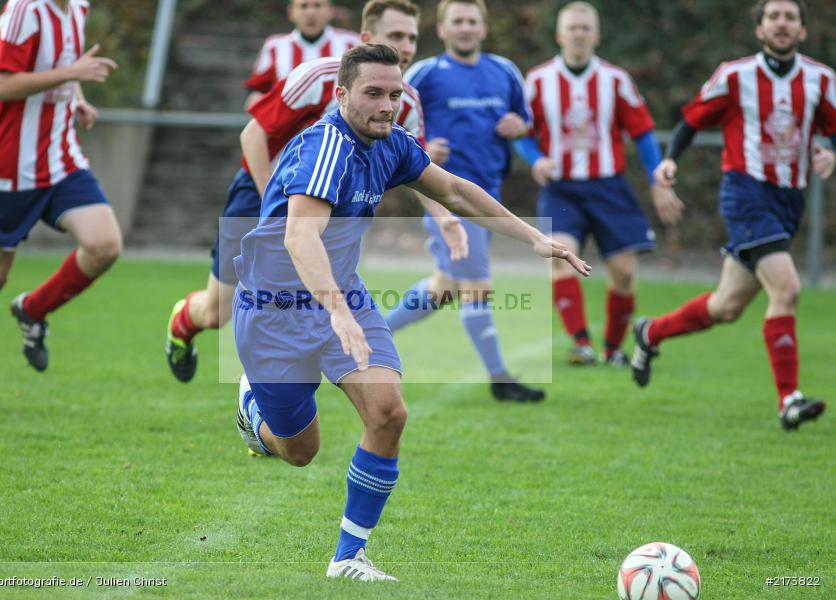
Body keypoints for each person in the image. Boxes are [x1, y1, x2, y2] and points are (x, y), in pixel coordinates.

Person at [231, 44, 590, 580]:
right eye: (373, 93)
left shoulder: (393, 143)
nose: (387, 104)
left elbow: (455, 190)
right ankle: (255, 413)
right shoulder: (323, 147)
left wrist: (535, 237)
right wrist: (338, 313)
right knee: (300, 451)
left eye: (395, 94)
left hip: (342, 296)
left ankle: (347, 558)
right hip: (274, 314)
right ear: (341, 95)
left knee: (389, 413)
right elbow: (300, 236)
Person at [165, 0, 467, 383]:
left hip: (325, 207)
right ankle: (182, 324)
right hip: (261, 193)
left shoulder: (403, 100)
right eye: (395, 36)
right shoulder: (316, 76)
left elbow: (416, 170)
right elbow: (253, 134)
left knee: (315, 300)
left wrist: (443, 216)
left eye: (411, 37)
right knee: (216, 313)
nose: (405, 47)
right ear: (366, 40)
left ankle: (274, 403)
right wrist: (273, 209)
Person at [631, 0, 835, 431]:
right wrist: (670, 160)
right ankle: (789, 400)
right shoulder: (735, 75)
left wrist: (829, 151)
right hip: (745, 193)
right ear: (759, 29)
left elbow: (832, 129)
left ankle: (650, 333)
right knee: (788, 289)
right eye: (773, 17)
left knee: (726, 306)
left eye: (790, 17)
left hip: (788, 200)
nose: (782, 24)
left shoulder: (822, 79)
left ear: (802, 30)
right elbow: (690, 120)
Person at [0, 0, 121, 410]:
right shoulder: (24, 10)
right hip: (6, 169)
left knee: (105, 245)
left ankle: (33, 310)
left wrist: (77, 98)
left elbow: (63, 65)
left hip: (60, 160)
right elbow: (2, 84)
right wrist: (73, 73)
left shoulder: (77, 8)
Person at [385, 0, 544, 402]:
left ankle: (372, 337)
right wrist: (422, 148)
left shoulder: (505, 71)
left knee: (446, 286)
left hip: (490, 195)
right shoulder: (423, 74)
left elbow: (525, 122)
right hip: (449, 198)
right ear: (441, 29)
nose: (465, 28)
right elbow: (393, 123)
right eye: (457, 21)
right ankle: (501, 379)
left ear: (483, 28)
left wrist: (519, 126)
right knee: (477, 286)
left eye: (472, 21)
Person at [514, 1, 683, 367]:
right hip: (562, 190)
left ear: (596, 36)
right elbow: (521, 134)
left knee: (624, 272)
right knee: (558, 255)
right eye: (572, 27)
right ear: (559, 35)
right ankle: (581, 344)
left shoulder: (616, 81)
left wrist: (658, 181)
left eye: (585, 28)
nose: (578, 33)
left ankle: (612, 349)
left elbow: (643, 133)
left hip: (609, 188)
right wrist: (536, 159)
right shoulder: (538, 81)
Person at [243, 0, 360, 110]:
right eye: (303, 6)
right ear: (291, 12)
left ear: (330, 11)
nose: (311, 13)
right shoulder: (274, 47)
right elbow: (256, 90)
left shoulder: (352, 43)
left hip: (339, 128)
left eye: (318, 5)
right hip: (289, 128)